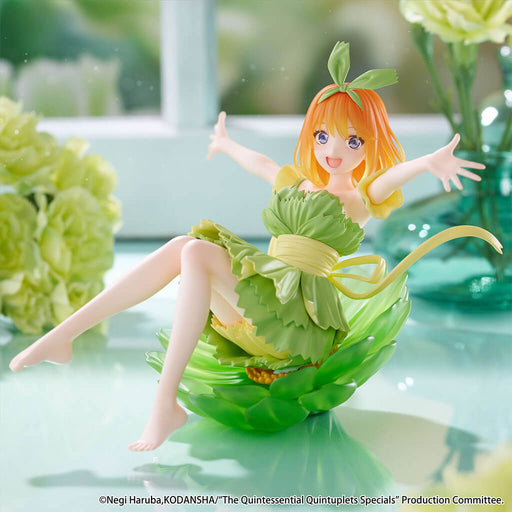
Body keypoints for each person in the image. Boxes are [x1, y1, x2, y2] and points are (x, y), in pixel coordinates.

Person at [9, 42, 501, 451]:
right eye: (324, 136)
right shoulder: (298, 183)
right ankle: (66, 335)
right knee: (183, 246)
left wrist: (427, 163)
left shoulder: (358, 198)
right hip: (257, 304)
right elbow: (262, 163)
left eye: (352, 142)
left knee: (194, 252)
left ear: (369, 146)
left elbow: (390, 178)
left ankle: (162, 404)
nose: (334, 151)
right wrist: (226, 144)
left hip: (295, 320)